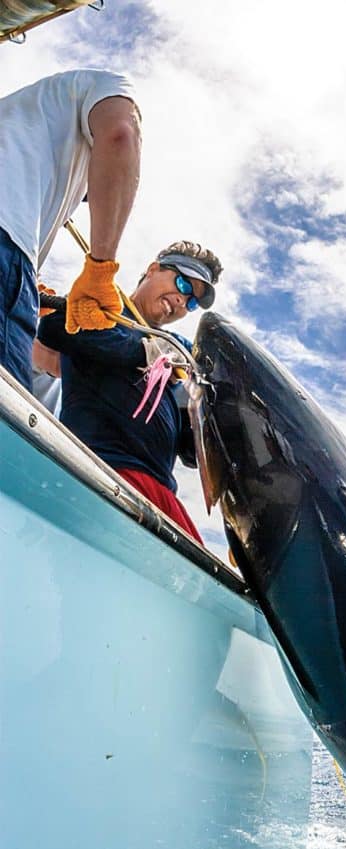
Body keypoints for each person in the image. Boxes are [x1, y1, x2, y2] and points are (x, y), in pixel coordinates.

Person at [37, 242, 223, 543]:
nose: (181, 300)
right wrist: (147, 351)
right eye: (182, 283)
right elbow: (55, 325)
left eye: (191, 303)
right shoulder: (106, 307)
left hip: (161, 495)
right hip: (99, 471)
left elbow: (190, 452)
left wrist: (204, 415)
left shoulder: (179, 352)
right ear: (153, 269)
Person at [0, 68, 141, 391]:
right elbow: (121, 134)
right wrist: (100, 270)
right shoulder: (108, 84)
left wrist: (29, 295)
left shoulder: (21, 117)